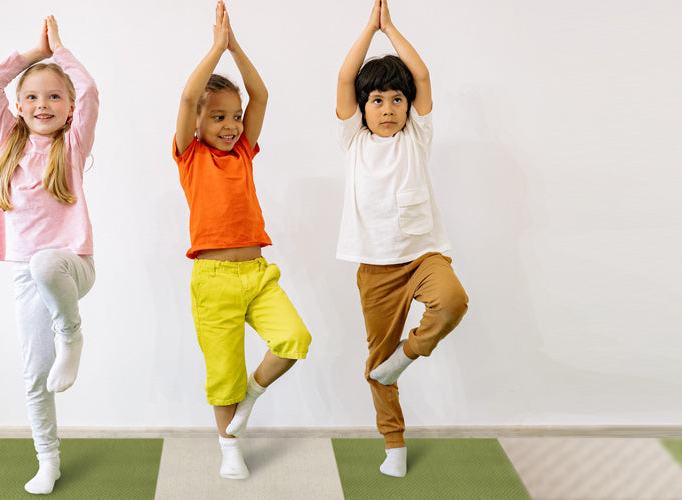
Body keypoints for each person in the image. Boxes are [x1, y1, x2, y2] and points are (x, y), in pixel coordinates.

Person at [173, 0, 312, 480]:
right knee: (224, 373)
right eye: (218, 118)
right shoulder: (189, 156)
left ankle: (251, 398)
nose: (231, 125)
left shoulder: (244, 153)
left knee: (295, 339)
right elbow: (190, 97)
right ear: (197, 124)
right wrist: (215, 49)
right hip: (212, 280)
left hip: (257, 274)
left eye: (235, 117)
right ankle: (229, 445)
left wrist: (234, 46)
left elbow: (261, 94)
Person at [335, 0, 470, 478]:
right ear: (362, 108)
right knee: (378, 361)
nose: (388, 109)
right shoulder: (354, 139)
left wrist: (389, 29)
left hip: (422, 254)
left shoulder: (417, 136)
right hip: (374, 266)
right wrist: (367, 31)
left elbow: (424, 76)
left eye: (397, 99)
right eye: (377, 101)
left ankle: (408, 354)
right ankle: (393, 444)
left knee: (452, 302)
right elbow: (345, 77)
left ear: (408, 106)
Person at [0, 14, 99, 495]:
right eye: (32, 96)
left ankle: (72, 335)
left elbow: (90, 89)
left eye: (54, 95)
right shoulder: (9, 141)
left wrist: (60, 51)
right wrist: (34, 55)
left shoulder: (71, 146)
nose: (43, 104)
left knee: (44, 261)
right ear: (17, 107)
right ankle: (47, 459)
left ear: (70, 108)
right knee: (34, 374)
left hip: (72, 268)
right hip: (27, 277)